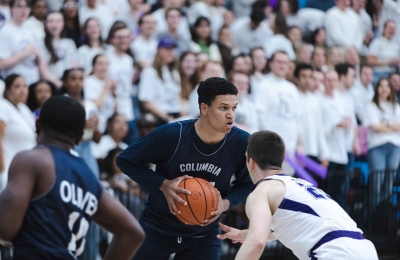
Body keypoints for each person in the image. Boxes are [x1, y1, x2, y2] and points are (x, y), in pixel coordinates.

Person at [117, 77, 253, 259]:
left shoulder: (241, 142)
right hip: (159, 228)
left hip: (204, 235)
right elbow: (125, 160)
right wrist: (163, 184)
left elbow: (247, 183)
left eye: (234, 108)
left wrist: (225, 204)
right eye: (223, 108)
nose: (231, 115)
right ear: (204, 108)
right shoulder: (172, 135)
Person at [0, 96, 145, 259]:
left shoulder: (31, 160)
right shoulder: (89, 177)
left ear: (37, 125)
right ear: (79, 137)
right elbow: (133, 232)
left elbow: (5, 229)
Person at [217, 130, 379, 260]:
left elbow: (257, 242)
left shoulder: (262, 190)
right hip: (366, 249)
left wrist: (252, 238)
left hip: (333, 253)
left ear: (251, 162)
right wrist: (244, 234)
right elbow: (287, 228)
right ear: (280, 161)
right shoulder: (298, 185)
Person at [256, 51, 302, 174]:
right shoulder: (264, 85)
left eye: (285, 63)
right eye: (279, 62)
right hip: (271, 148)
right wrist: (274, 143)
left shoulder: (292, 88)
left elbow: (298, 118)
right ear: (271, 64)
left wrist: (299, 144)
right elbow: (261, 116)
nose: (282, 65)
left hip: (291, 148)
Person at [0, 74, 36, 192]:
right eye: (17, 86)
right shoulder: (3, 106)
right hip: (9, 169)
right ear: (8, 91)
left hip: (27, 169)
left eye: (25, 86)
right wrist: (2, 172)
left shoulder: (24, 109)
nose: (23, 90)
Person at [106, 22, 138, 144]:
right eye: (120, 37)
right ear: (112, 39)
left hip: (129, 111)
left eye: (126, 37)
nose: (124, 40)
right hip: (112, 112)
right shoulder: (106, 58)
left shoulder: (129, 60)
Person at [139, 36, 182, 124]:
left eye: (172, 49)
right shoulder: (149, 72)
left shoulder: (174, 72)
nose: (171, 52)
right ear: (159, 51)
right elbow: (146, 102)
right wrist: (167, 118)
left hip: (175, 114)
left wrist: (183, 113)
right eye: (167, 49)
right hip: (159, 117)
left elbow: (178, 96)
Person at [294, 63, 329, 167]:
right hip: (295, 151)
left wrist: (325, 154)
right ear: (296, 78)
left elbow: (319, 128)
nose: (307, 80)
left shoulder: (315, 100)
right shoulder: (292, 96)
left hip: (313, 151)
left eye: (310, 76)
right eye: (303, 76)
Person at [0, 0, 42, 86]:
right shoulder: (5, 31)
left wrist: (37, 57)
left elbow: (35, 59)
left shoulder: (29, 30)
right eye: (19, 6)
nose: (24, 10)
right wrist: (25, 54)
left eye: (27, 7)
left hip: (33, 80)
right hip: (15, 84)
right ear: (11, 8)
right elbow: (1, 64)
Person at [364, 78, 400, 171]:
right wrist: (393, 127)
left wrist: (386, 124)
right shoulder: (371, 106)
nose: (384, 89)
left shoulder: (396, 106)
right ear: (377, 88)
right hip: (377, 145)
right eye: (381, 86)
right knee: (377, 178)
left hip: (395, 145)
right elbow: (375, 127)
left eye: (387, 86)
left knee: (390, 178)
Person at [84, 54, 117, 133]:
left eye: (106, 64)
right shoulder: (88, 81)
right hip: (97, 128)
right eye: (100, 64)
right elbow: (93, 106)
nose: (104, 67)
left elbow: (115, 110)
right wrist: (105, 90)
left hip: (109, 127)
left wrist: (114, 94)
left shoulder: (108, 81)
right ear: (93, 66)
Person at [41, 11, 78, 80]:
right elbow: (43, 70)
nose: (54, 25)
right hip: (50, 83)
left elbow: (74, 65)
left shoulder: (69, 42)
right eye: (51, 21)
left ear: (63, 23)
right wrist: (58, 83)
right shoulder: (41, 43)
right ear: (46, 24)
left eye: (58, 21)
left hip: (69, 82)